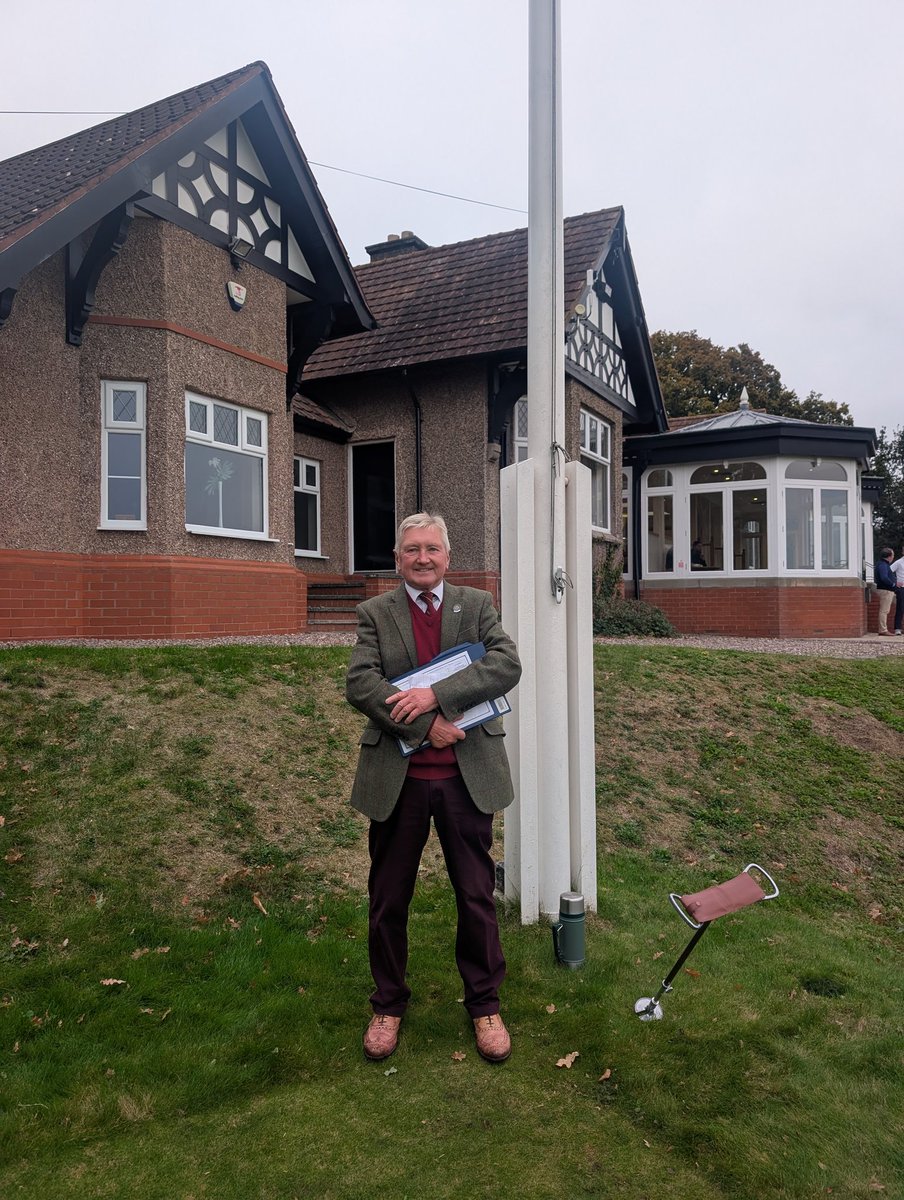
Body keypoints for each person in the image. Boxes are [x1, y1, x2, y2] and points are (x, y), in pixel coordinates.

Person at [345, 512, 522, 1064]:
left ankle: (485, 1004)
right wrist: (426, 726)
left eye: (432, 549)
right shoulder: (375, 611)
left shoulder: (477, 604)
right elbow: (360, 682)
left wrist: (435, 696)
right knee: (388, 899)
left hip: (466, 778)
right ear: (398, 558)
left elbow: (505, 664)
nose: (423, 559)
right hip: (398, 782)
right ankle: (388, 1005)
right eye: (412, 550)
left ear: (448, 555)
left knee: (475, 896)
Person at [874, 548, 897, 635]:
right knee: (884, 611)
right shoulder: (883, 565)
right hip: (885, 590)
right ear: (889, 556)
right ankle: (883, 630)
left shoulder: (882, 564)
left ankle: (883, 629)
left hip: (885, 590)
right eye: (893, 555)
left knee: (884, 610)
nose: (893, 557)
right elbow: (884, 577)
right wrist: (893, 584)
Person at [890, 550, 904, 635]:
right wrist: (895, 582)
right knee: (900, 608)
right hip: (902, 588)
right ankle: (897, 628)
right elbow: (889, 572)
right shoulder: (899, 562)